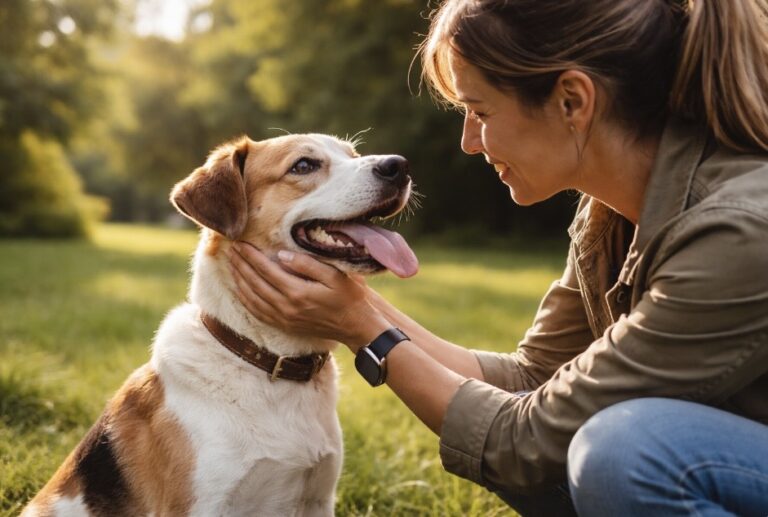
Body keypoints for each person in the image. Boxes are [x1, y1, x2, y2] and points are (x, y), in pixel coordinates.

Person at [228, 0, 768, 515]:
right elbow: (534, 378)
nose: (468, 141)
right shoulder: (609, 214)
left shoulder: (737, 232)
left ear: (572, 101)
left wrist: (364, 331)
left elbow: (526, 438)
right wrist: (354, 305)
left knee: (625, 451)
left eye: (479, 111)